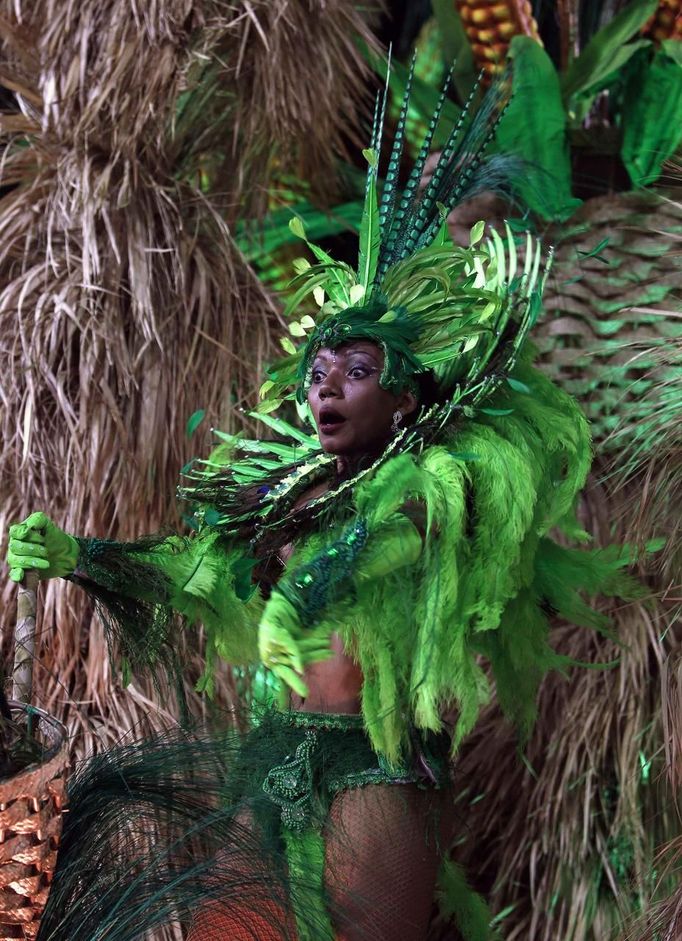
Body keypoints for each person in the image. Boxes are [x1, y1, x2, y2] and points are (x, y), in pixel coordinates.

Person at [6, 66, 637, 941]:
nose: (327, 386)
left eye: (358, 370)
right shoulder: (286, 498)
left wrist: (305, 594)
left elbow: (390, 537)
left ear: (407, 397)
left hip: (375, 766)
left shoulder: (435, 482)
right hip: (276, 757)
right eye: (318, 371)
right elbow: (198, 567)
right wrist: (84, 556)